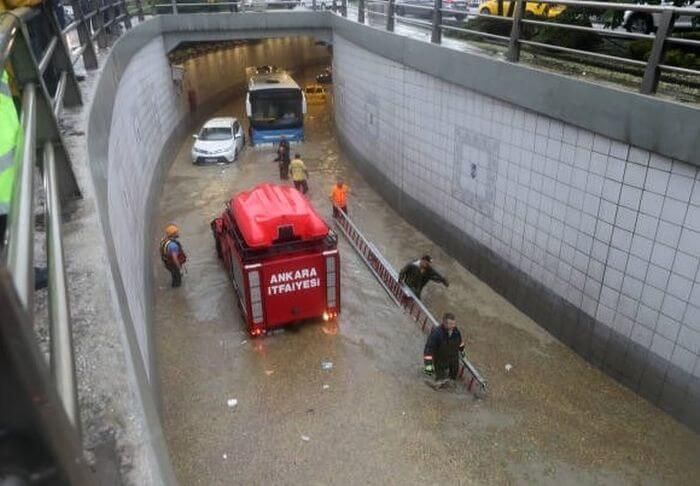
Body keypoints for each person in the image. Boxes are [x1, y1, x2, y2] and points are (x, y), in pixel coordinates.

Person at [423, 312, 465, 385]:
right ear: (444, 323)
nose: (453, 326)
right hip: (440, 361)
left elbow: (460, 343)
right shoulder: (436, 333)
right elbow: (428, 349)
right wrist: (428, 366)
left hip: (453, 360)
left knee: (452, 380)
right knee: (440, 382)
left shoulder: (456, 332)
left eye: (453, 324)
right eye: (450, 324)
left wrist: (462, 351)